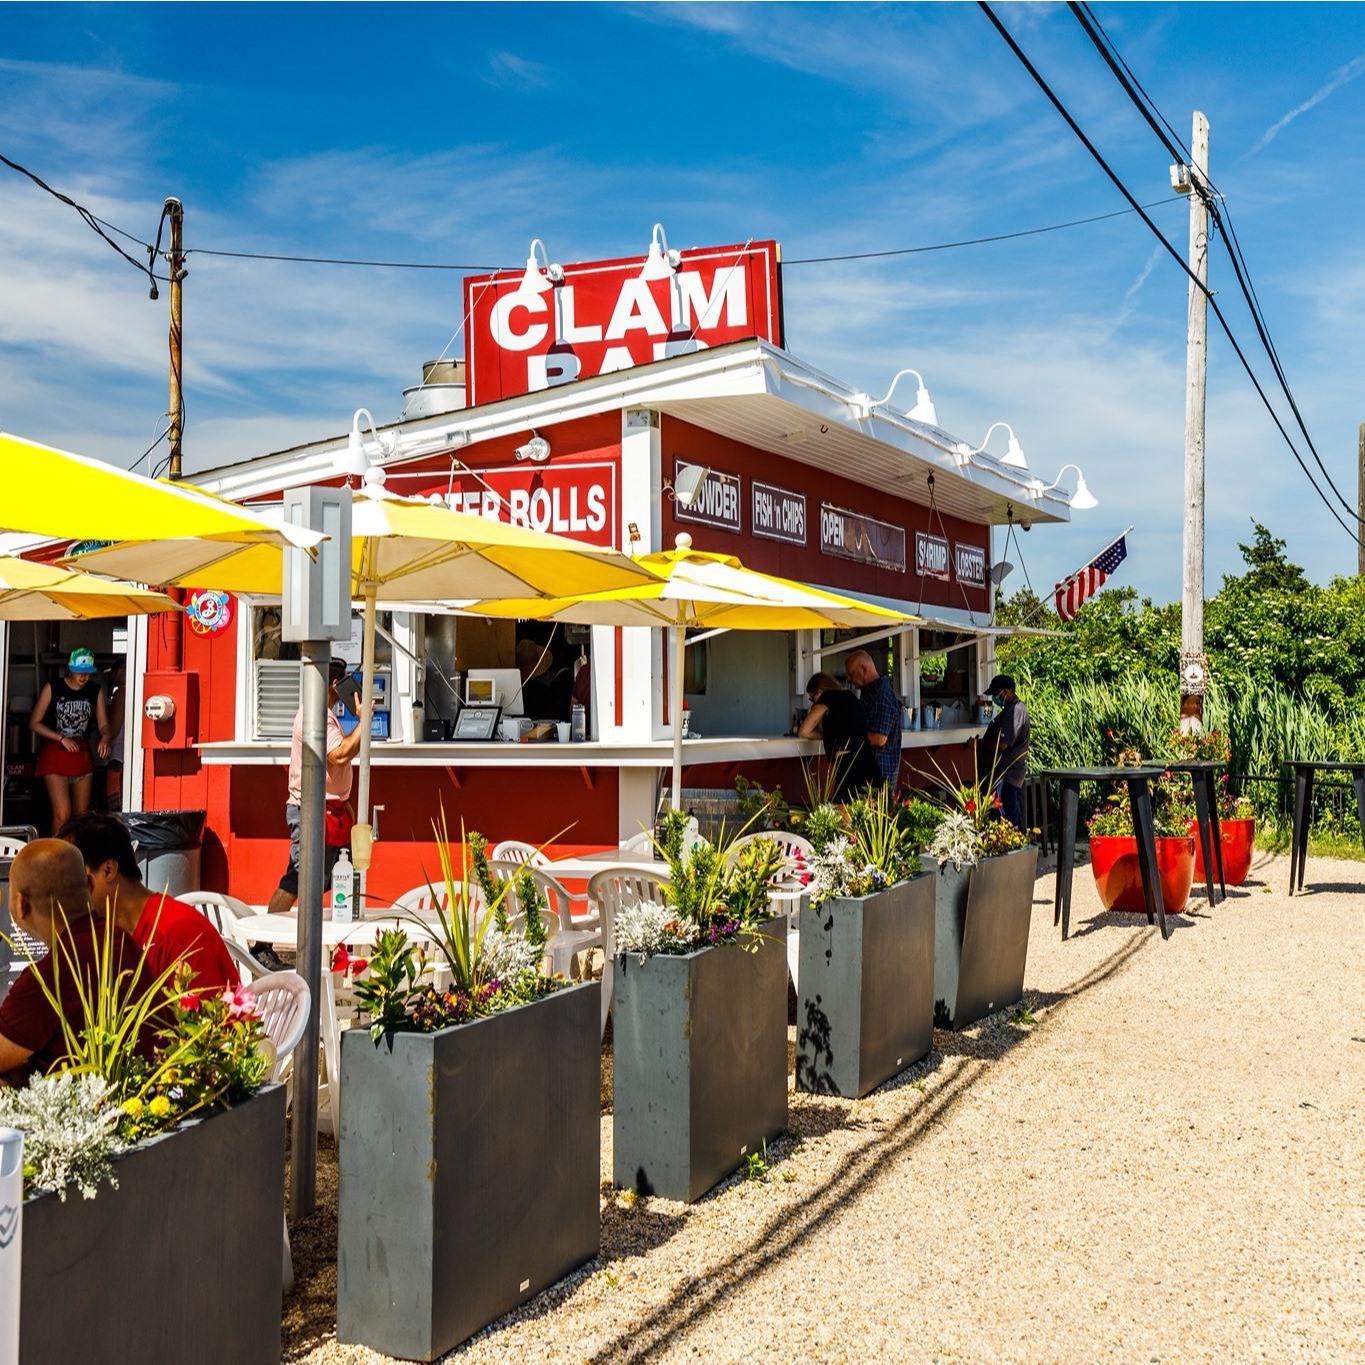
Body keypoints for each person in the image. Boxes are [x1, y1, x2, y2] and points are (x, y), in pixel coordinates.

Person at [0, 839, 147, 1086]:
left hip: (85, 1111)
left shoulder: (50, 977)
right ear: (89, 885)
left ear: (20, 904)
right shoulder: (119, 939)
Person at [61, 813, 237, 998]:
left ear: (108, 870)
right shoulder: (101, 934)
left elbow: (206, 1022)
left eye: (71, 878)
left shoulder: (180, 933)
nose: (63, 890)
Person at [266, 657, 363, 917]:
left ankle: (339, 940)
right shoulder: (315, 715)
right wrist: (365, 721)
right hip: (312, 811)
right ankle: (262, 945)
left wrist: (344, 800)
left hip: (332, 810)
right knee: (300, 879)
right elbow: (339, 755)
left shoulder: (323, 714)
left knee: (339, 875)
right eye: (344, 683)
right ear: (334, 683)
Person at [29, 647, 111, 834]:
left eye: (87, 673)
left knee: (81, 817)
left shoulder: (94, 690)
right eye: (79, 671)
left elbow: (104, 724)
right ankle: (56, 858)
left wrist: (105, 737)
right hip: (55, 754)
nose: (83, 676)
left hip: (82, 755)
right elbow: (34, 723)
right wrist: (61, 737)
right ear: (70, 669)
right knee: (63, 814)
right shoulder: (53, 687)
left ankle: (77, 856)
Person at [798, 672, 881, 799]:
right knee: (872, 806)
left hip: (848, 759)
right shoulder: (849, 697)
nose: (812, 702)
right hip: (866, 756)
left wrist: (825, 736)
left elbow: (804, 731)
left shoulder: (828, 696)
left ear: (819, 691)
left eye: (811, 697)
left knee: (844, 808)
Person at [979, 673, 1031, 830]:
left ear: (1007, 691)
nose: (995, 698)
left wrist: (981, 744)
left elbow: (1003, 743)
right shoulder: (1009, 709)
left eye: (996, 693)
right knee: (1003, 820)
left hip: (1008, 776)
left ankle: (1018, 852)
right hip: (1002, 774)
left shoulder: (1017, 710)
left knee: (1009, 821)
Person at [845, 649, 903, 788]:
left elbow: (879, 738)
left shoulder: (881, 695)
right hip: (869, 773)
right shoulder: (870, 693)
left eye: (852, 674)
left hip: (879, 776)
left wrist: (850, 737)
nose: (850, 679)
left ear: (864, 669)